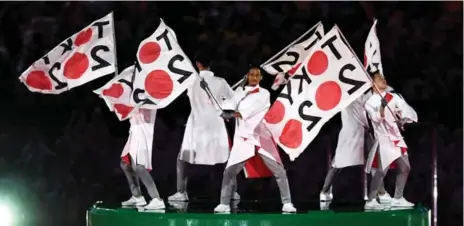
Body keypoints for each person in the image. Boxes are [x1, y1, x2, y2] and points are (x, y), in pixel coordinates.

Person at [214, 66, 296, 213]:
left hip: (260, 136)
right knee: (229, 172)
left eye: (257, 75)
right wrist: (215, 100)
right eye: (252, 74)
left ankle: (287, 203)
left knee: (279, 171)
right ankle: (224, 204)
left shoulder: (264, 94)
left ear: (261, 78)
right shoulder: (239, 93)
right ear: (247, 76)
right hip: (243, 138)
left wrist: (232, 115)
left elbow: (251, 111)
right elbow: (227, 105)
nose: (254, 77)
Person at [168, 51, 240, 202]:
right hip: (216, 125)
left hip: (196, 126)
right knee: (227, 159)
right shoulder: (220, 81)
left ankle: (181, 193)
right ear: (210, 63)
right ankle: (233, 192)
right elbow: (234, 101)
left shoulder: (190, 82)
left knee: (183, 159)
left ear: (197, 64)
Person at [320, 89, 393, 204]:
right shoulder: (346, 95)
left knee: (373, 162)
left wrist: (385, 93)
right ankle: (324, 191)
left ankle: (381, 192)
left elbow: (373, 97)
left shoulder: (362, 94)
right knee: (337, 164)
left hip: (364, 132)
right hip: (350, 134)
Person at [363, 71, 418, 209]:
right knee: (381, 171)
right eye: (379, 78)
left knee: (405, 167)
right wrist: (382, 106)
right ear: (373, 83)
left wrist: (404, 119)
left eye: (383, 77)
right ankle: (370, 201)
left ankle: (398, 198)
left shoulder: (393, 97)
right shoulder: (369, 102)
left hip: (396, 138)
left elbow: (405, 110)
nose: (383, 79)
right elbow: (376, 118)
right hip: (384, 139)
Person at [120, 109, 165, 210]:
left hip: (143, 131)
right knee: (125, 164)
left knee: (139, 167)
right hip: (134, 129)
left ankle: (157, 199)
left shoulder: (148, 95)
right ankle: (137, 196)